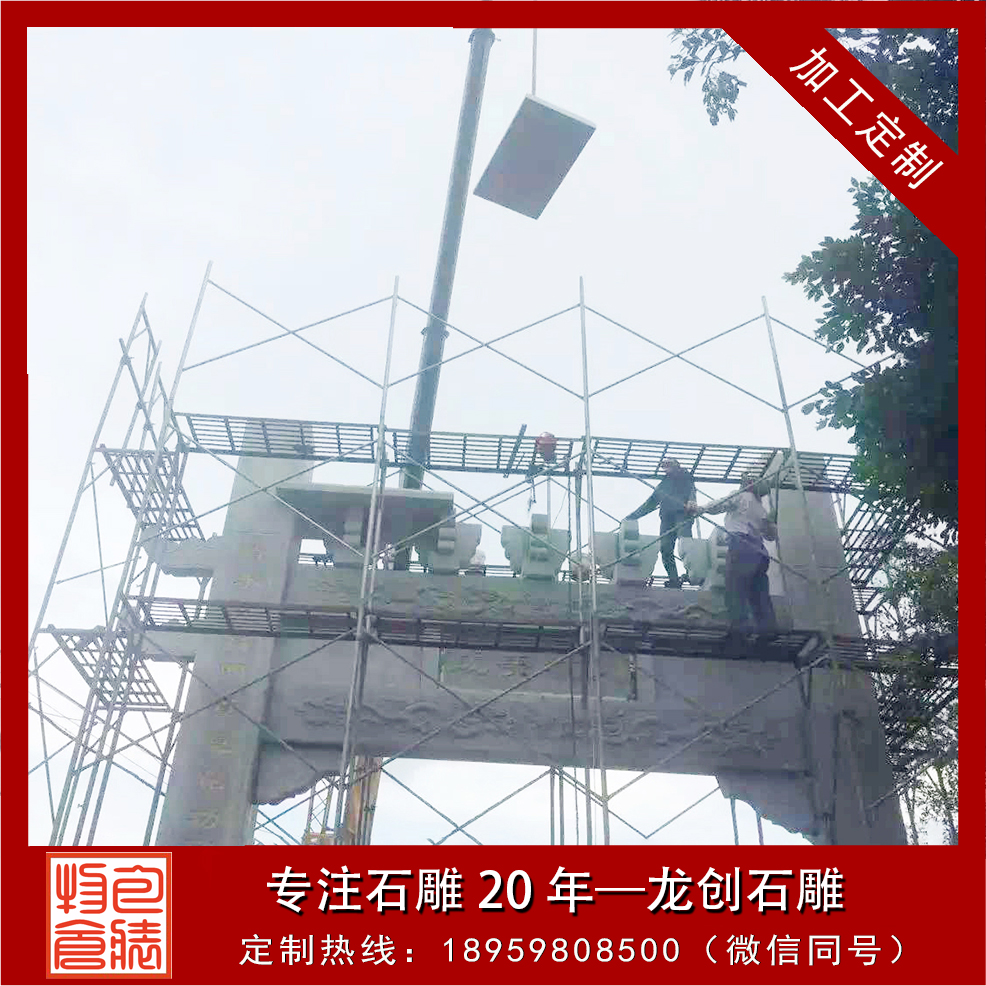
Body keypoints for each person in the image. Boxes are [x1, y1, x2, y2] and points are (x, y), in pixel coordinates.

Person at [699, 471, 778, 636]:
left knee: (735, 587)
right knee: (759, 592)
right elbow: (770, 536)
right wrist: (772, 523)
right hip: (760, 552)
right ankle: (768, 628)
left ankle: (740, 628)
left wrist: (700, 509)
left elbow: (720, 505)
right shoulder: (761, 509)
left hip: (742, 546)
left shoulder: (741, 496)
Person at [625, 458, 697, 588]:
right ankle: (674, 579)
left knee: (685, 543)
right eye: (664, 466)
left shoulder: (685, 477)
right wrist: (632, 516)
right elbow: (650, 503)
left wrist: (692, 501)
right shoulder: (664, 484)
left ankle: (692, 574)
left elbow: (692, 490)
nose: (666, 468)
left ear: (676, 465)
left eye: (668, 465)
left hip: (682, 514)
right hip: (666, 518)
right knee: (665, 548)